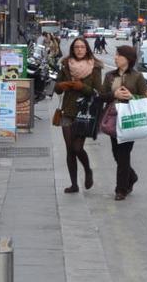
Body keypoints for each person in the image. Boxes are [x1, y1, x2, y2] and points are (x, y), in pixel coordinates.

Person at [54, 37, 102, 193]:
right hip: (67, 110)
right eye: (76, 47)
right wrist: (62, 85)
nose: (79, 50)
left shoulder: (94, 67)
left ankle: (88, 170)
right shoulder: (65, 64)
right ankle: (74, 184)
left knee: (77, 147)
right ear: (72, 49)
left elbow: (98, 92)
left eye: (82, 47)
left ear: (87, 49)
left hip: (85, 112)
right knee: (69, 149)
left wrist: (82, 87)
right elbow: (57, 88)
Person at [101, 45, 147, 201]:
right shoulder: (109, 76)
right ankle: (132, 176)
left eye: (118, 55)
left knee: (123, 154)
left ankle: (120, 189)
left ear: (127, 58)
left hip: (129, 119)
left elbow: (145, 99)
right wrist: (113, 94)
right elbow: (102, 96)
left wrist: (131, 96)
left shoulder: (137, 76)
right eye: (115, 55)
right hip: (113, 118)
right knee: (116, 154)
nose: (115, 58)